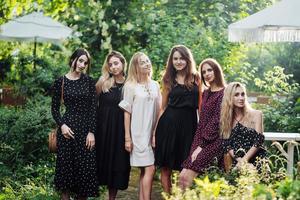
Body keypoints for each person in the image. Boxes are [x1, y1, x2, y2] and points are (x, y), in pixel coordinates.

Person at [51, 48, 98, 199]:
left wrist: (91, 132)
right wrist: (62, 125)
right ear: (73, 60)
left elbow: (93, 109)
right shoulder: (61, 82)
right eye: (81, 60)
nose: (83, 64)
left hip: (85, 132)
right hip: (67, 132)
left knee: (84, 173)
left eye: (86, 62)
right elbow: (54, 109)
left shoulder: (90, 82)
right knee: (66, 173)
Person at [154, 44, 200, 193]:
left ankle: (181, 196)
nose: (178, 61)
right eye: (175, 59)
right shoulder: (168, 79)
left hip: (189, 127)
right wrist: (154, 133)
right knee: (166, 168)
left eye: (181, 58)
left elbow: (200, 106)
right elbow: (163, 107)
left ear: (187, 59)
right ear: (171, 61)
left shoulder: (196, 78)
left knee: (186, 168)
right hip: (168, 126)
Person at [119, 52, 161, 200]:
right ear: (136, 67)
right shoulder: (130, 86)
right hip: (138, 133)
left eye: (147, 61)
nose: (147, 64)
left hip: (151, 133)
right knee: (150, 168)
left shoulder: (156, 85)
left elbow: (159, 110)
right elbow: (127, 113)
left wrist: (156, 133)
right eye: (142, 62)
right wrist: (127, 138)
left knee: (145, 170)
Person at [179, 58, 226, 189]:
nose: (207, 74)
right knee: (182, 176)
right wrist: (196, 145)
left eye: (209, 70)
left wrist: (201, 146)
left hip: (215, 141)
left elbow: (217, 121)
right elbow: (202, 121)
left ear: (216, 70)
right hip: (200, 139)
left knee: (187, 177)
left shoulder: (225, 93)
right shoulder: (205, 93)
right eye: (204, 72)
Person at [95, 51, 130, 200]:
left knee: (117, 163)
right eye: (110, 65)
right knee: (98, 162)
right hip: (102, 128)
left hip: (120, 130)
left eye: (116, 63)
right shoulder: (103, 81)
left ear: (123, 63)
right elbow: (90, 104)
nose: (114, 67)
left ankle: (112, 198)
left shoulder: (129, 84)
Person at [220, 82, 266, 170]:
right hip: (237, 160)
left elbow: (259, 141)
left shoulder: (257, 114)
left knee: (251, 170)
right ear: (229, 98)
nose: (241, 98)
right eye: (236, 95)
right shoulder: (226, 119)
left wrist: (244, 161)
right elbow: (226, 144)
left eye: (243, 94)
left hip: (257, 159)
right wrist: (239, 160)